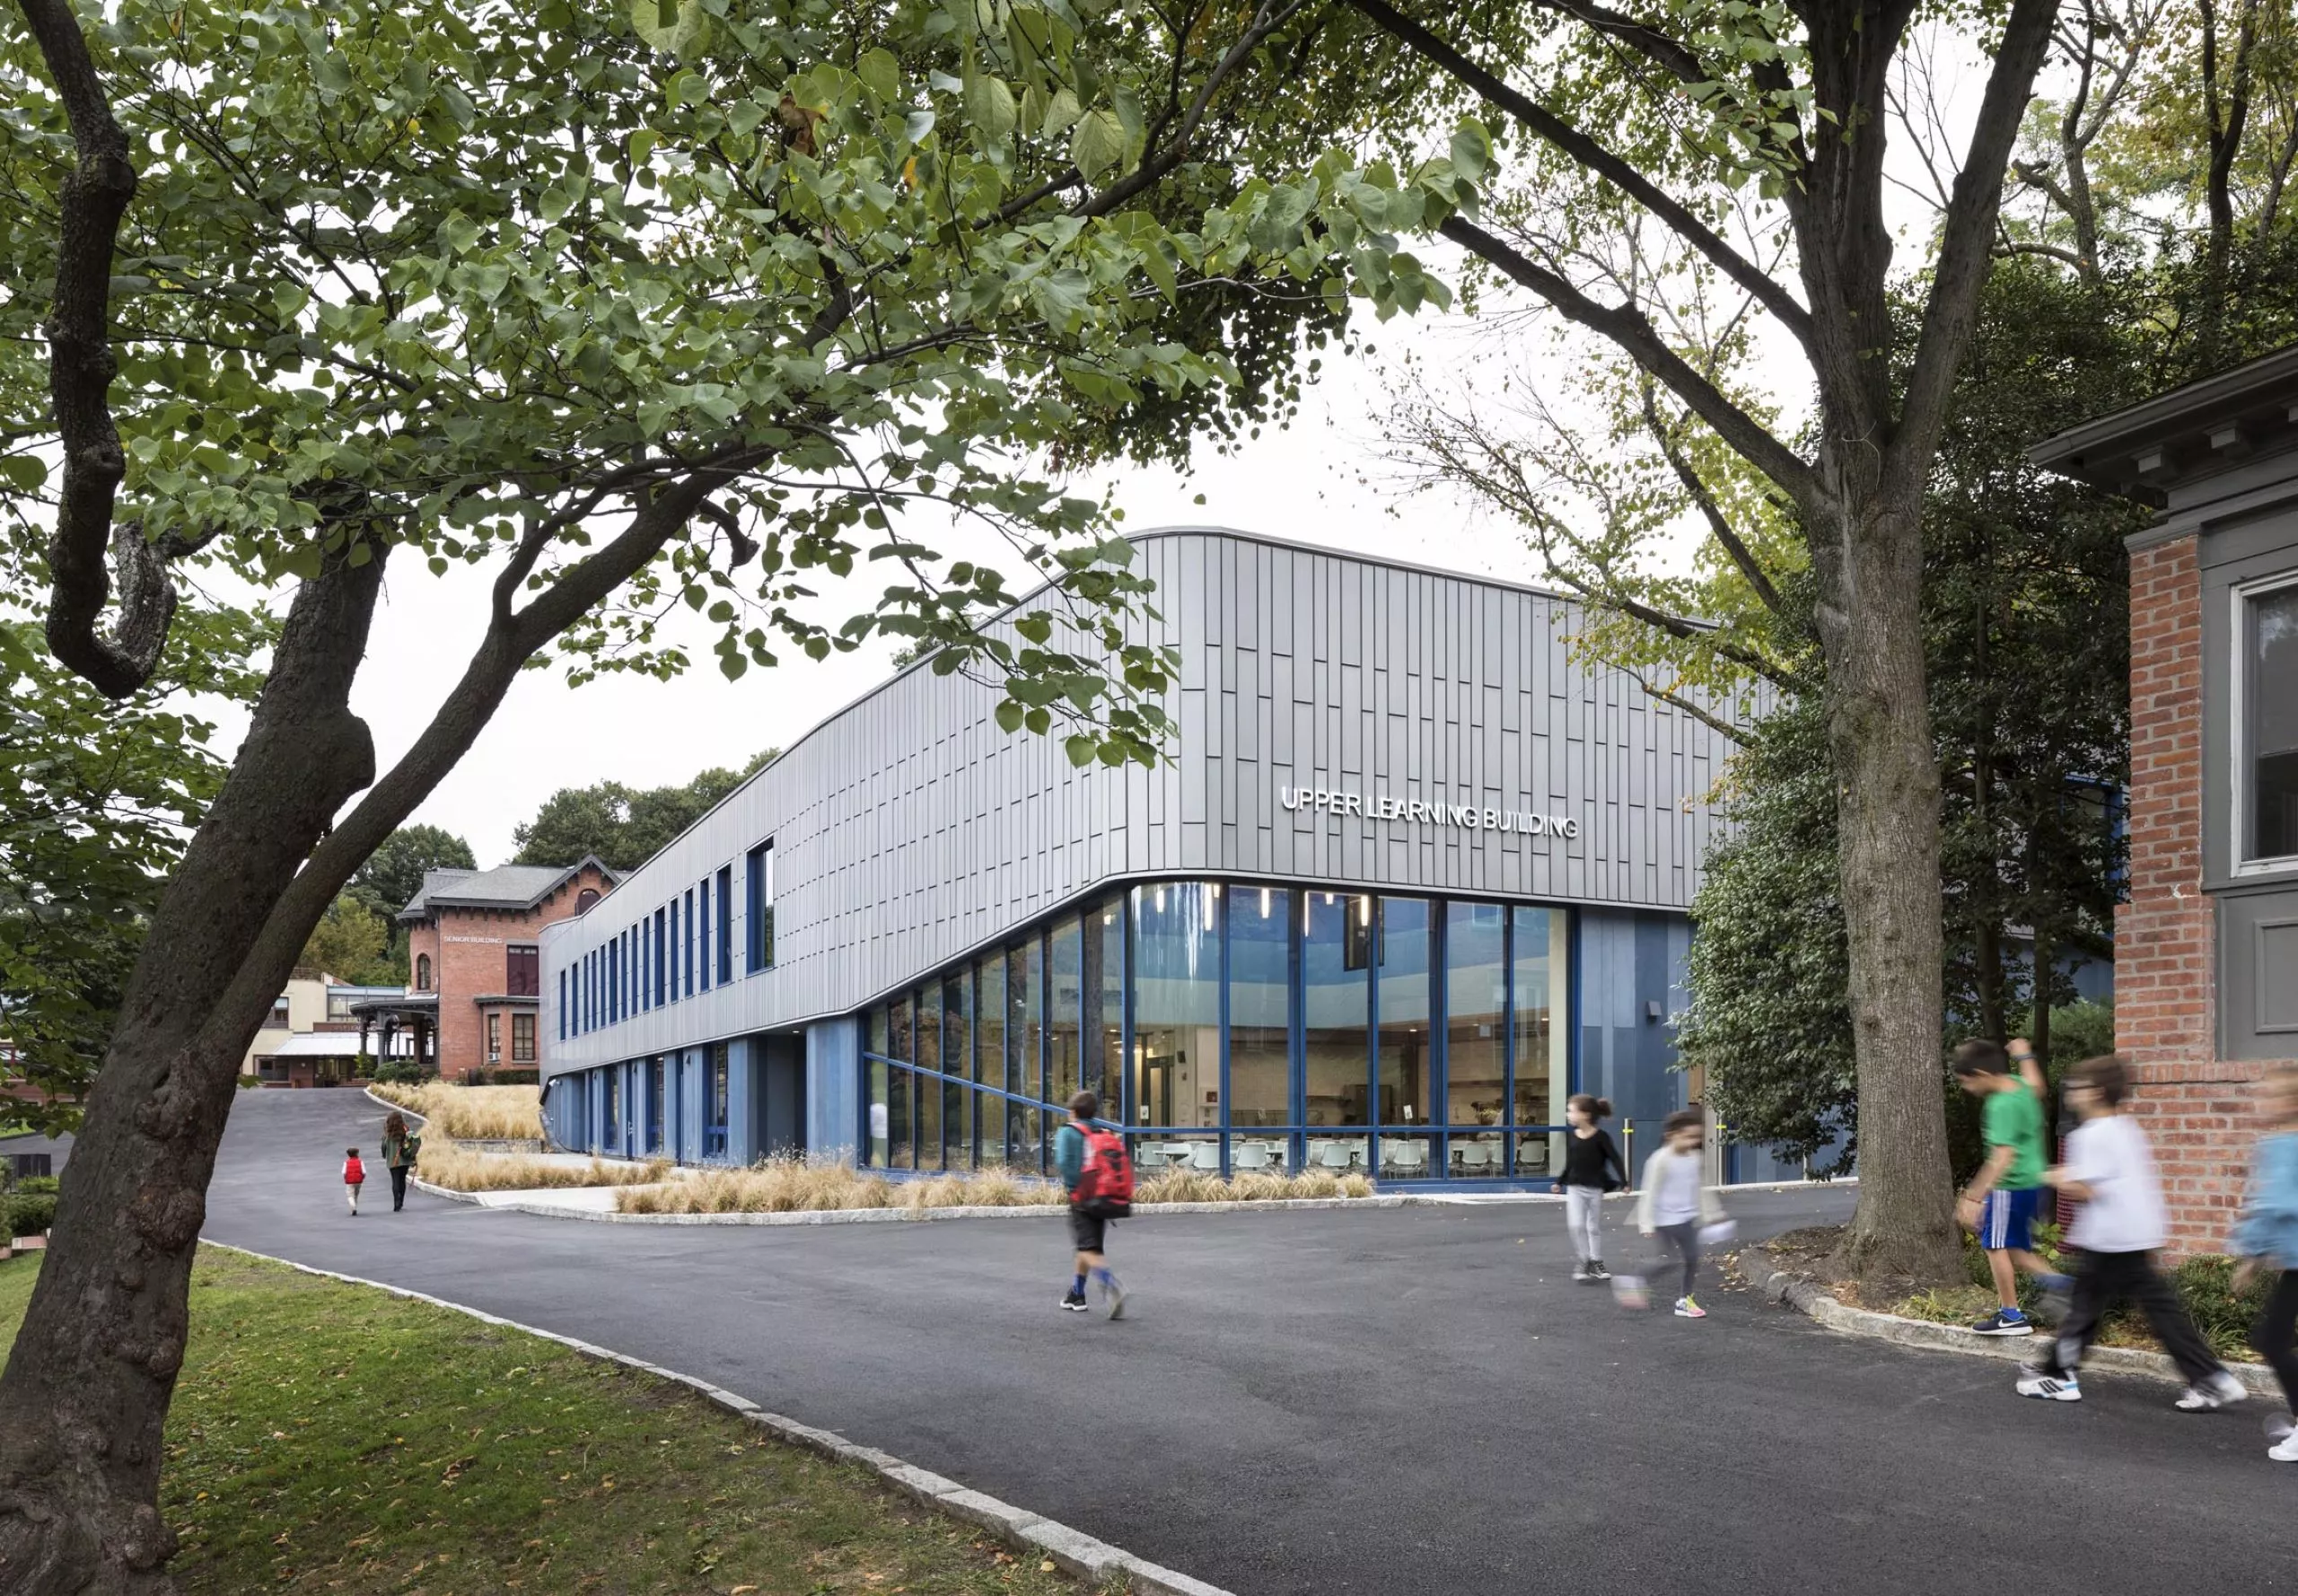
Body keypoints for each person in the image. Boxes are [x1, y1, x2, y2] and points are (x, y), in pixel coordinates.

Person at [2013, 1055, 2248, 1411]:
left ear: (2097, 1092)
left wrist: (2043, 1174)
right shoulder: (2126, 1127)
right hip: (2136, 1232)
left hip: (2109, 1237)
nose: (2071, 1092)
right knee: (2150, 1308)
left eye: (2078, 1086)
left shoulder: (2091, 1134)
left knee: (2086, 1309)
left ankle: (2060, 1377)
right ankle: (2211, 1379)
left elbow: (2086, 1188)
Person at [1952, 1039, 2073, 1336]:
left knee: (1994, 1245)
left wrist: (1974, 1196)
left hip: (2010, 1186)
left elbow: (2003, 1157)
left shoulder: (2000, 1105)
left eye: (1966, 1082)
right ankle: (2066, 1287)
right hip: (2033, 1184)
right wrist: (2025, 1055)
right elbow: (2038, 1085)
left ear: (1981, 1074)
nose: (1967, 1089)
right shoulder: (2019, 1087)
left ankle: (2011, 1316)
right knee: (2017, 1250)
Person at [2230, 1063, 2298, 1460]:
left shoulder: (2278, 1148)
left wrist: (2250, 1256)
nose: (2262, 1101)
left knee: (2272, 1341)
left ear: (2291, 1102)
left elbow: (2272, 1206)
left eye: (2269, 1095)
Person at [1635, 1109, 1725, 1319]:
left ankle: (1684, 1300)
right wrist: (1646, 1223)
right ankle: (1639, 1280)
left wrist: (1713, 1213)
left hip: (1687, 1217)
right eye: (1688, 1136)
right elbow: (1650, 1193)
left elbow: (1702, 1187)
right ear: (1671, 1135)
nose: (1693, 1141)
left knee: (1693, 1258)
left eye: (1697, 1137)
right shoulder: (1660, 1160)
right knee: (1668, 1260)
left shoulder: (1696, 1157)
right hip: (1664, 1220)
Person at [1053, 1090, 1129, 1319]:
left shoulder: (1068, 1132)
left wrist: (1075, 1188)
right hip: (1104, 1197)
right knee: (1088, 1246)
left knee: (1087, 1248)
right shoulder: (1102, 1131)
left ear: (1073, 1112)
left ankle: (1112, 1285)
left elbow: (1064, 1163)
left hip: (1082, 1198)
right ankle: (1077, 1293)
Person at [1553, 1093, 1626, 1282]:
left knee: (1592, 1227)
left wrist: (1624, 1181)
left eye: (1571, 1111)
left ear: (1585, 1115)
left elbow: (1615, 1159)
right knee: (1576, 1225)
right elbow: (1571, 1162)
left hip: (1594, 1188)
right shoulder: (1572, 1136)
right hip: (1575, 1187)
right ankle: (1584, 1260)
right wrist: (1559, 1181)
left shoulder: (1601, 1137)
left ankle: (1596, 1261)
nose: (1568, 1114)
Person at [381, 1111, 422, 1213]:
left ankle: (396, 1203)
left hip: (392, 1162)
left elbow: (384, 1147)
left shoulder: (388, 1134)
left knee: (395, 1181)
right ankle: (401, 1201)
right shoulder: (406, 1132)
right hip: (404, 1161)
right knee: (402, 1180)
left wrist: (384, 1155)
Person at [342, 1146, 365, 1216]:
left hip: (349, 1181)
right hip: (358, 1181)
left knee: (350, 1195)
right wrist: (362, 1178)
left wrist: (345, 1178)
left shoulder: (346, 1162)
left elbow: (344, 1172)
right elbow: (364, 1172)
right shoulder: (360, 1162)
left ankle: (353, 1207)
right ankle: (354, 1207)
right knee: (356, 1194)